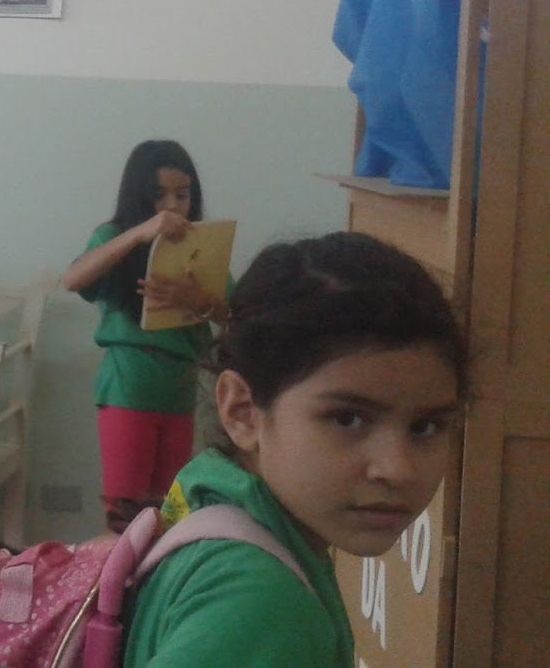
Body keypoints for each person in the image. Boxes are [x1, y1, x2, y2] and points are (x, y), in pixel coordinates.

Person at [122, 232, 464, 667]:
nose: (398, 469)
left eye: (426, 427)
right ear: (243, 413)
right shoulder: (259, 601)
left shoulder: (206, 495)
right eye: (347, 419)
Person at [60, 139, 227, 533]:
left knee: (172, 512)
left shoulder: (199, 244)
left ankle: (159, 573)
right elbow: (72, 279)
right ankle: (118, 573)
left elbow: (236, 313)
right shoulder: (115, 236)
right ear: (138, 196)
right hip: (128, 389)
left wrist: (197, 300)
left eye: (182, 195)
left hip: (181, 393)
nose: (172, 206)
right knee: (125, 512)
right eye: (159, 195)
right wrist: (139, 234)